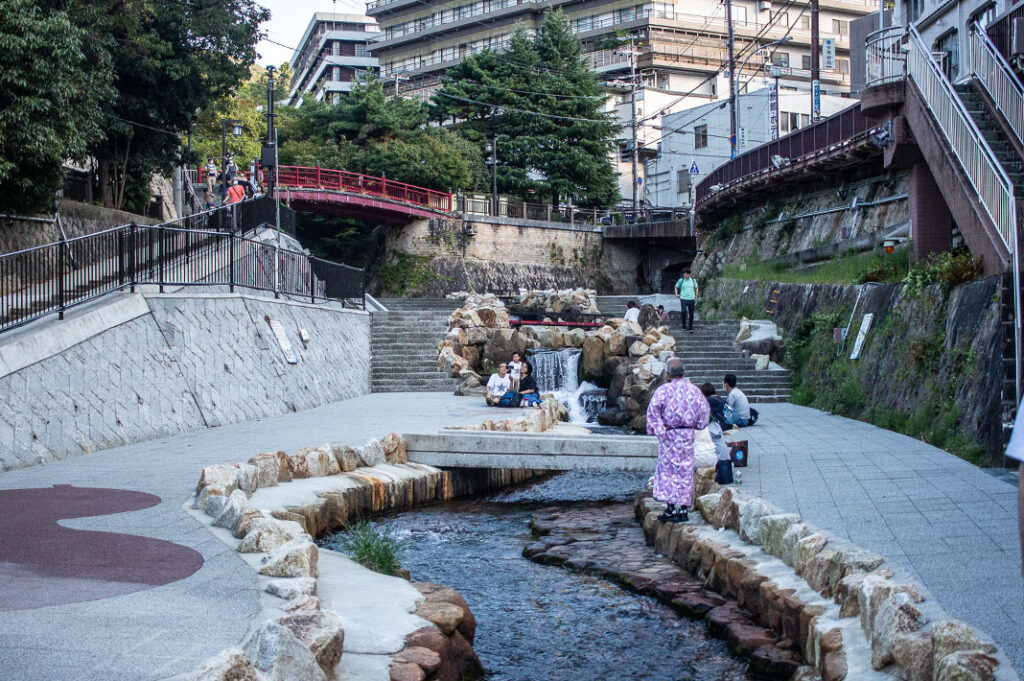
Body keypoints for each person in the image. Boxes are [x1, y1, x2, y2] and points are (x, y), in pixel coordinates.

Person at [646, 358, 710, 522]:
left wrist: (660, 430)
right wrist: (695, 425)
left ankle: (669, 508)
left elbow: (653, 412)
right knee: (684, 471)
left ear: (668, 374)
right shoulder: (694, 390)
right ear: (683, 373)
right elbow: (704, 413)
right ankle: (683, 510)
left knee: (668, 472)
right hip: (686, 435)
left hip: (670, 435)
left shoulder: (663, 390)